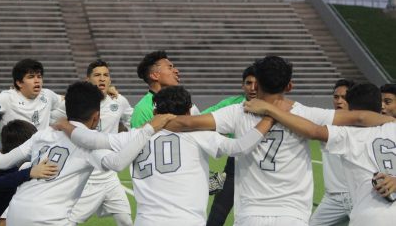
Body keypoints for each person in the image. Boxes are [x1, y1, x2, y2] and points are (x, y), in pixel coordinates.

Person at [165, 56, 393, 226]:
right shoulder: (306, 114)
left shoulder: (237, 112)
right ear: (289, 86)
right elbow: (361, 116)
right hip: (292, 213)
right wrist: (389, 121)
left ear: (256, 84)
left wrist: (157, 124)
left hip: (251, 212)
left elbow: (186, 124)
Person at [0, 81, 173, 226]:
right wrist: (149, 130)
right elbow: (117, 163)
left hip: (17, 211)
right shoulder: (88, 142)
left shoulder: (43, 133)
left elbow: (1, 162)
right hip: (49, 218)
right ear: (96, 116)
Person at [244, 83, 396, 226]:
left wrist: (269, 109)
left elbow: (313, 130)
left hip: (371, 216)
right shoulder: (393, 127)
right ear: (379, 105)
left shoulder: (347, 134)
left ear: (350, 108)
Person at [130, 86, 274, 226]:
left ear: (155, 112)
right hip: (187, 220)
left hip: (146, 220)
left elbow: (111, 158)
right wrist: (270, 117)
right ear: (189, 112)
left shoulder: (134, 137)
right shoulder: (201, 135)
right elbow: (240, 147)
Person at [67, 60, 134, 226]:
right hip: (86, 175)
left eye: (106, 75)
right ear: (87, 79)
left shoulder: (119, 101)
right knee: (69, 221)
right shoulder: (77, 103)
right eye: (97, 75)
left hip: (110, 175)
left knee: (125, 220)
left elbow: (133, 121)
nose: (102, 79)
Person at [206, 65, 257, 226]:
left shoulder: (275, 107)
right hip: (234, 167)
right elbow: (202, 120)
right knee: (217, 215)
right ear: (242, 86)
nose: (253, 88)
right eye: (248, 83)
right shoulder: (232, 104)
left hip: (262, 170)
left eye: (257, 83)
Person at [310, 79, 355, 226]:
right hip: (333, 198)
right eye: (336, 97)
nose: (339, 101)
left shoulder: (366, 126)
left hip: (359, 196)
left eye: (344, 97)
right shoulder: (324, 125)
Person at [131, 50, 199, 128]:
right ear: (155, 75)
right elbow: (138, 138)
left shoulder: (183, 101)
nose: (176, 71)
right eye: (170, 68)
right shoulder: (142, 109)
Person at [0, 58, 63, 133]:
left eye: (39, 76)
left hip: (42, 144)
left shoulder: (47, 95)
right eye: (31, 77)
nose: (37, 81)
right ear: (19, 83)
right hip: (15, 144)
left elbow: (64, 100)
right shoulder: (6, 98)